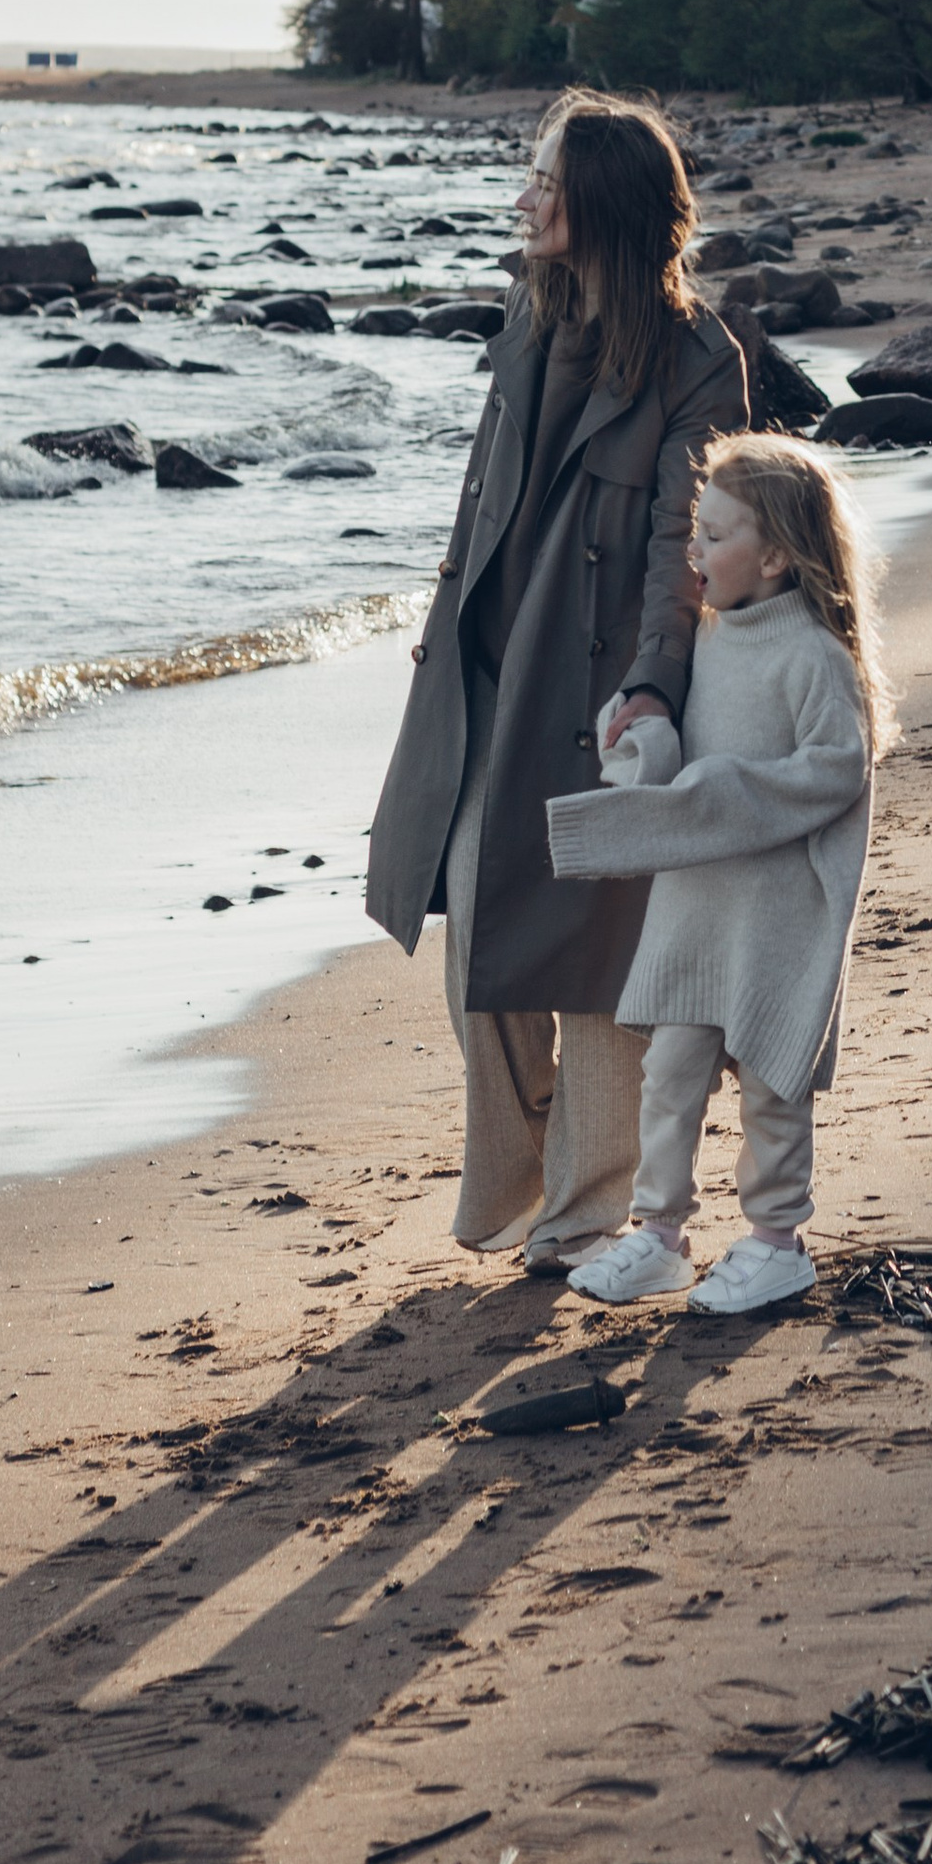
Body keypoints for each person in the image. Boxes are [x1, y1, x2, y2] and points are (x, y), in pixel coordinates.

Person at [364, 91, 750, 1269]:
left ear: (603, 202)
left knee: (592, 958)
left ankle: (584, 1217)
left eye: (544, 178)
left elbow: (684, 541)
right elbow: (480, 493)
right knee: (477, 926)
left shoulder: (697, 359)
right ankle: (519, 1173)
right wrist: (442, 624)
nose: (524, 197)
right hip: (488, 669)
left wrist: (654, 683)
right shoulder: (528, 315)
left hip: (599, 683)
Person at [543, 432, 886, 1314]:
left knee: (773, 1083)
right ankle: (658, 1236)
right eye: (696, 529)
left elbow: (839, 769)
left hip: (776, 912)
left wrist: (729, 788)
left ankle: (776, 1243)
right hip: (695, 907)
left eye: (716, 534)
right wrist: (644, 742)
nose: (693, 549)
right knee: (669, 1074)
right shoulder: (704, 641)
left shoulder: (814, 655)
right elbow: (682, 761)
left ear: (774, 557)